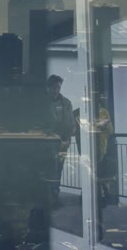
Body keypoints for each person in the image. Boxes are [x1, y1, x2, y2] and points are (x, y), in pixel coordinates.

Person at [44, 75, 76, 205]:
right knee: (50, 169)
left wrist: (67, 139)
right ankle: (48, 197)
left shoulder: (66, 103)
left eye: (58, 87)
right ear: (48, 88)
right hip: (46, 143)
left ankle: (54, 196)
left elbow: (71, 123)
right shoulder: (41, 103)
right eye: (53, 87)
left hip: (63, 143)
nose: (55, 90)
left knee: (58, 170)